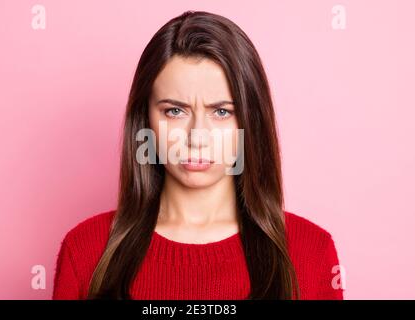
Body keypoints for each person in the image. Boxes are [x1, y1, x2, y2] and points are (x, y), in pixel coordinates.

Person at [52, 10, 344, 300]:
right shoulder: (85, 250)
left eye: (221, 112)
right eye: (175, 111)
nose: (196, 137)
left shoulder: (311, 253)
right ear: (145, 120)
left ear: (250, 121)